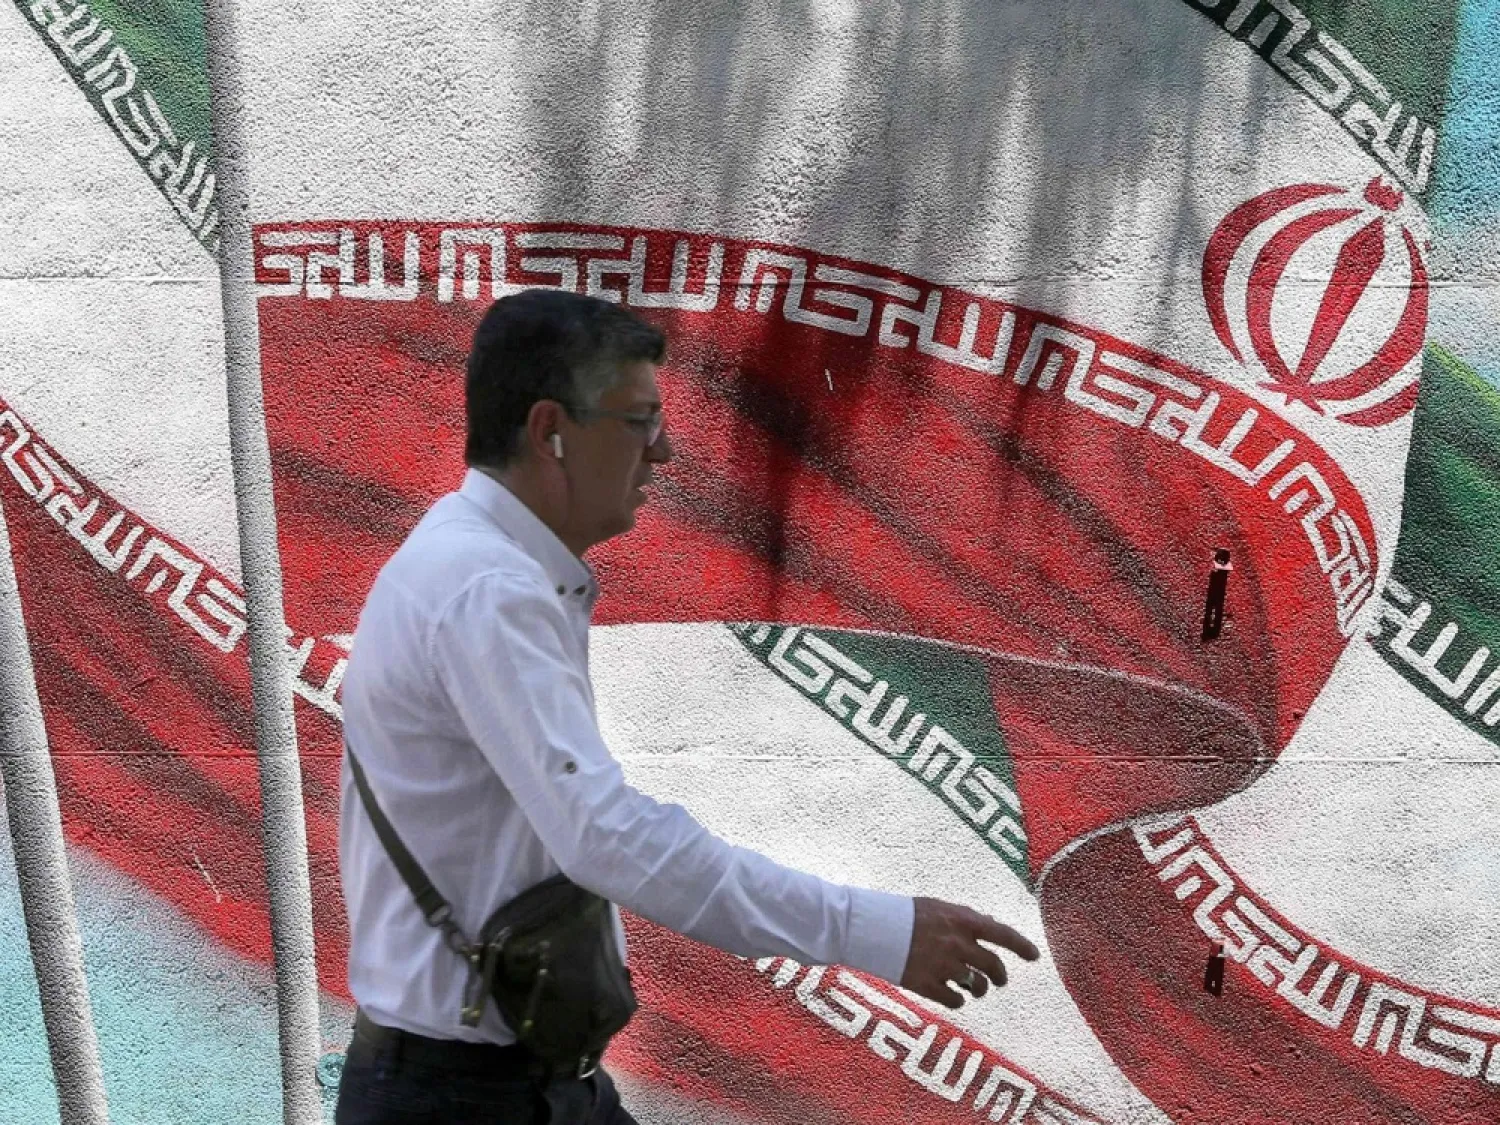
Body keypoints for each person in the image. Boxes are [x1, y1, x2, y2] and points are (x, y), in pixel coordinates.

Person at [334, 288, 1040, 1124]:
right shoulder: (489, 591)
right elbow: (608, 836)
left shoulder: (475, 563)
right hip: (462, 1101)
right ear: (550, 430)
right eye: (638, 421)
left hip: (509, 1085)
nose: (663, 452)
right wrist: (873, 929)